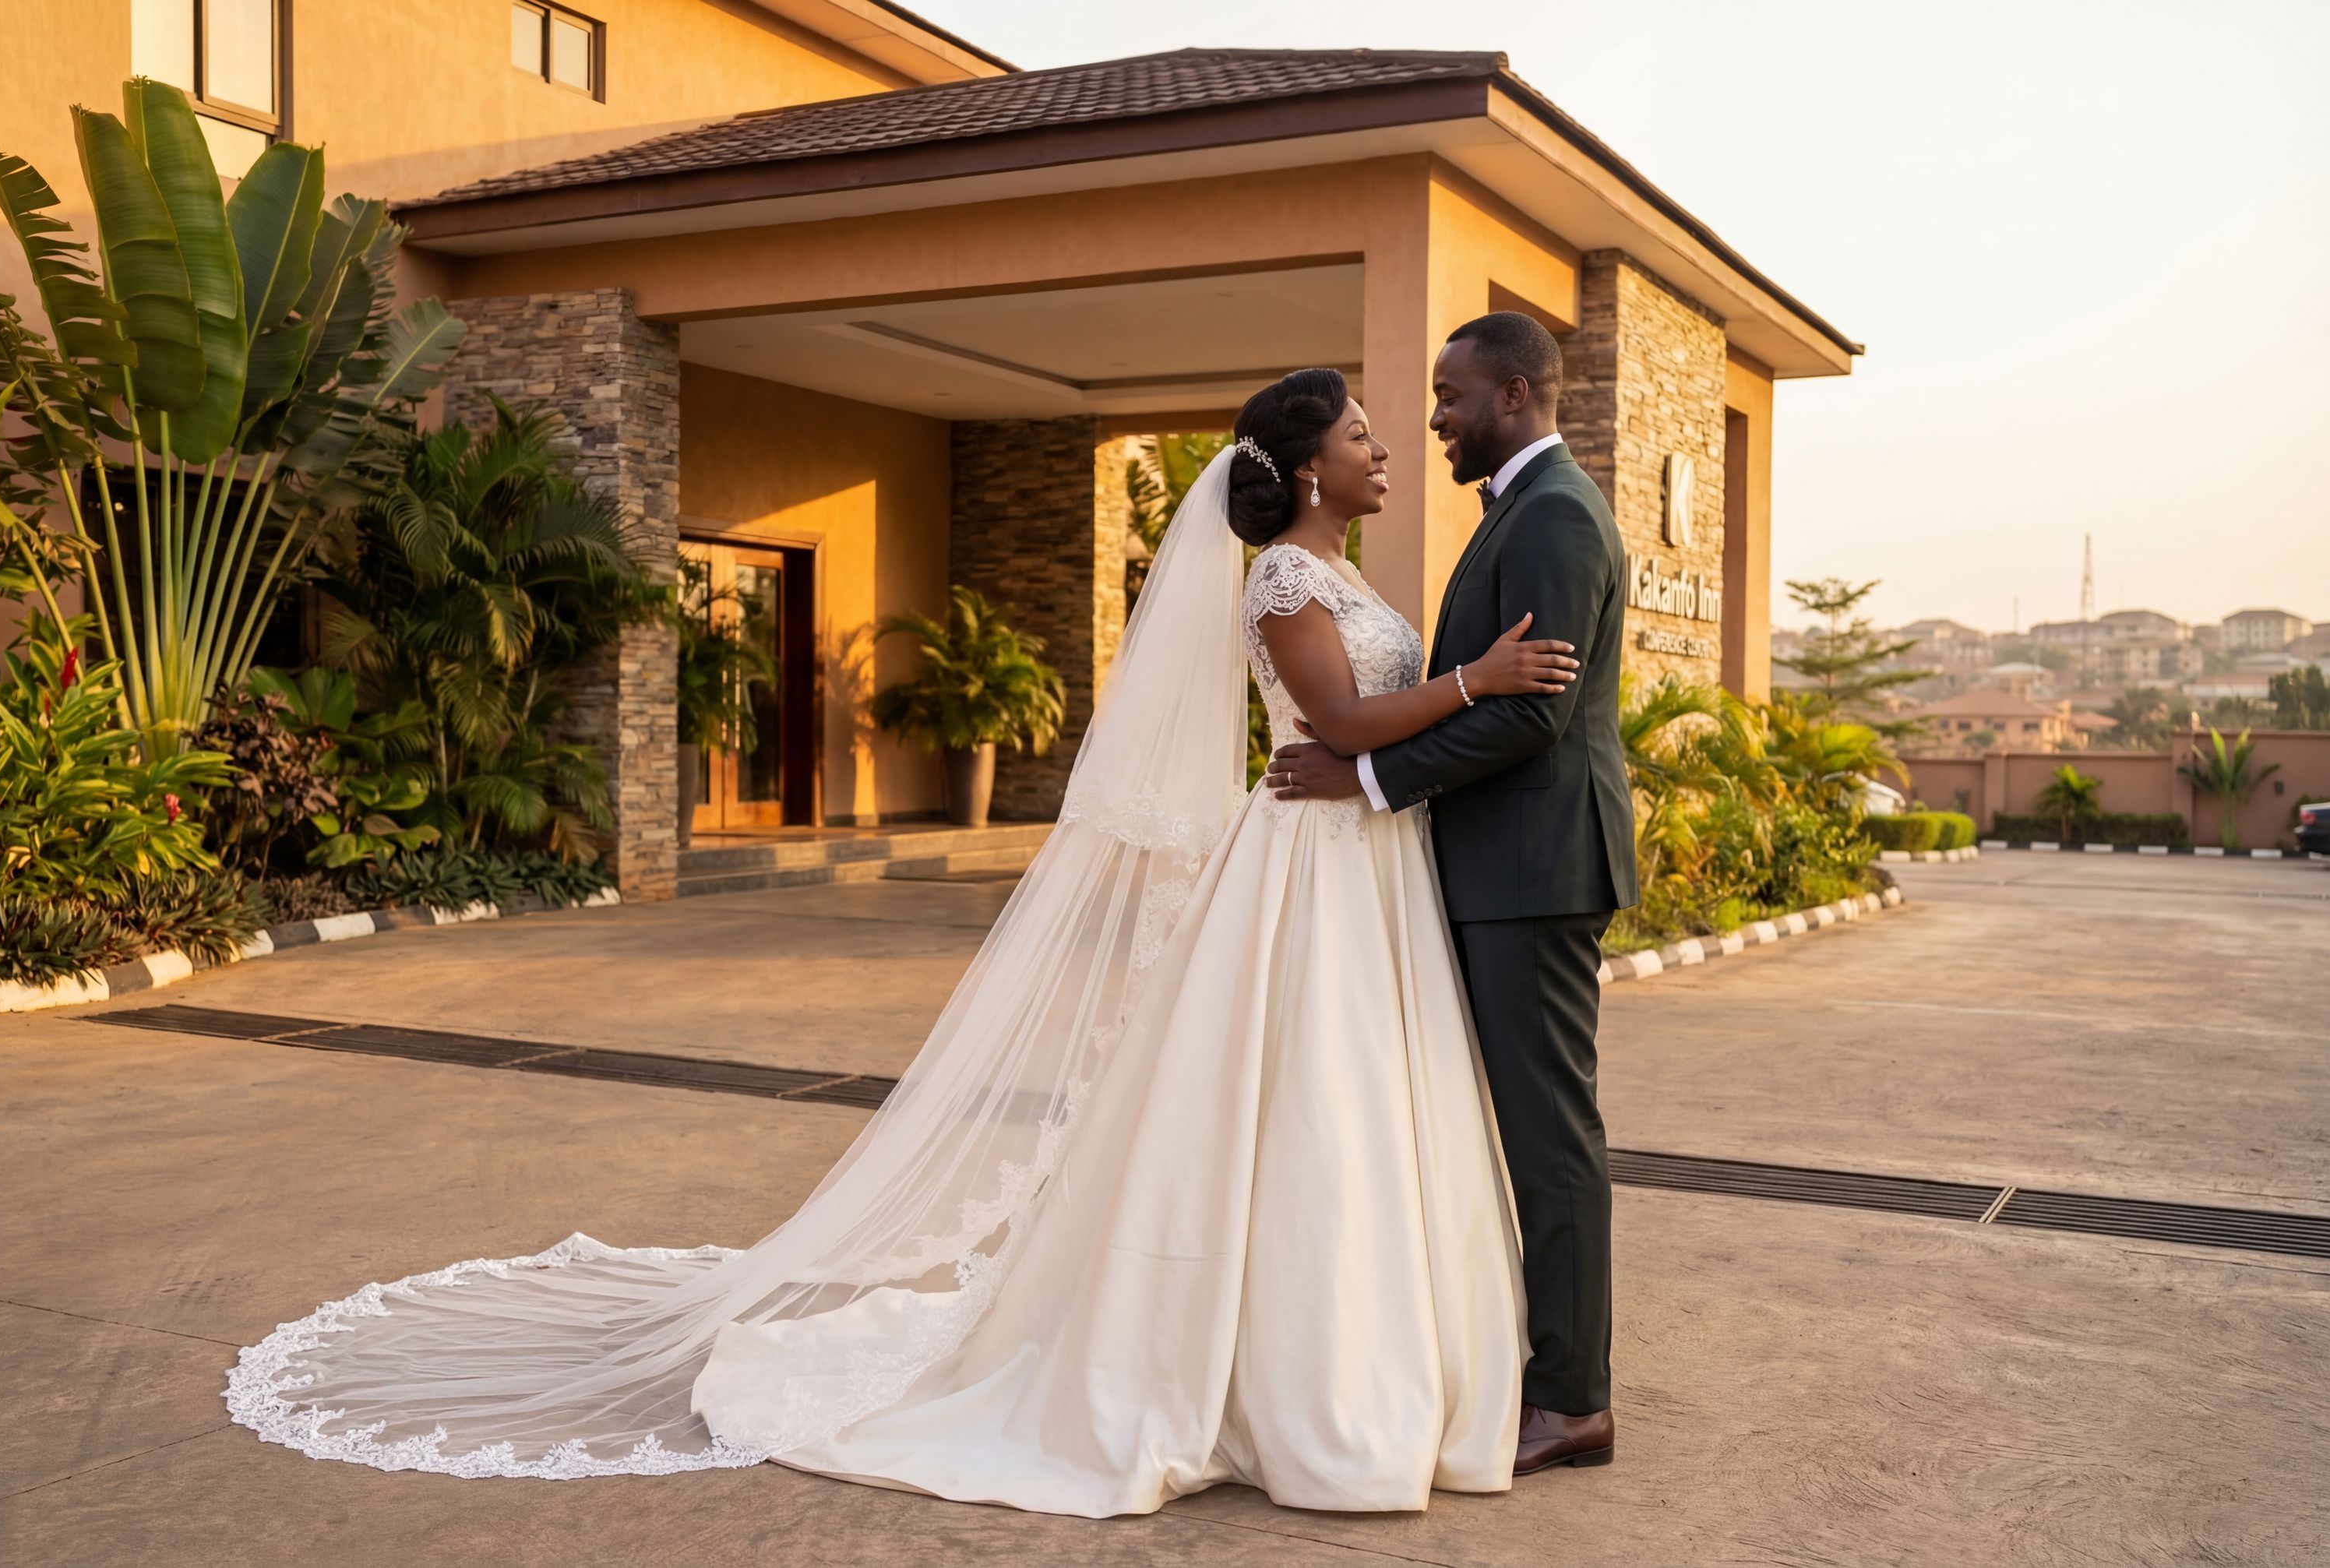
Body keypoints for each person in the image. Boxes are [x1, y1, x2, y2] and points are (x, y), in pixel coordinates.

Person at [224, 366, 1588, 1516]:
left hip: (1370, 864)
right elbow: (1340, 728)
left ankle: (1378, 1349)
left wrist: (1448, 699)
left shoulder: (1339, 567)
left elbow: (1366, 730)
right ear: (1303, 469)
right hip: (1305, 864)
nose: (1384, 445)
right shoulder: (1285, 578)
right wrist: (1478, 680)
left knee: (1359, 1109)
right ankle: (1280, 1374)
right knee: (1297, 1105)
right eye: (1358, 432)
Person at [1264, 312, 1637, 1473]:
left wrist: (1364, 772)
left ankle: (1572, 1398)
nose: (1434, 420)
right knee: (1504, 1126)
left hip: (1531, 871)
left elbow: (1534, 713)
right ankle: (1523, 1366)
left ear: (1515, 396)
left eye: (1451, 397)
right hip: (1493, 868)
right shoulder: (1521, 514)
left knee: (1549, 1132)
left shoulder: (1557, 519)